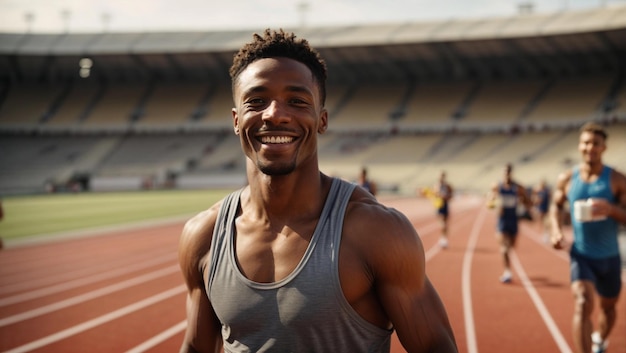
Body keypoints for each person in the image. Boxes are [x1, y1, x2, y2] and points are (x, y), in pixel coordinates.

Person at [178, 29, 458, 353]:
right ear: (236, 120)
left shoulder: (376, 232)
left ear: (321, 120)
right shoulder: (204, 236)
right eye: (256, 101)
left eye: (296, 101)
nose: (275, 114)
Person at [549, 122, 626, 353]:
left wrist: (611, 210)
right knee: (582, 303)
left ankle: (600, 340)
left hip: (610, 257)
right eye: (585, 142)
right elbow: (555, 206)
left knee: (609, 308)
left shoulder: (617, 179)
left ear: (603, 147)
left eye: (595, 143)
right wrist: (555, 229)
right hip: (581, 254)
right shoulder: (567, 178)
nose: (589, 147)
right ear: (579, 146)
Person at [487, 163, 533, 283]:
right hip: (502, 220)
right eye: (504, 172)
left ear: (511, 173)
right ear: (502, 173)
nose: (506, 174)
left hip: (513, 220)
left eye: (508, 172)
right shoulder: (497, 186)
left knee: (511, 246)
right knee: (504, 247)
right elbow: (489, 203)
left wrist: (523, 203)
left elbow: (528, 202)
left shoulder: (518, 187)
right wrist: (495, 204)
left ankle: (507, 267)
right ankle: (507, 271)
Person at [433, 171, 453, 248]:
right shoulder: (436, 185)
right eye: (440, 176)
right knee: (442, 223)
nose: (441, 178)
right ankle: (442, 239)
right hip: (439, 205)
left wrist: (447, 197)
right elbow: (434, 194)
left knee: (445, 223)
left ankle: (444, 238)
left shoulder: (447, 186)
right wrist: (439, 195)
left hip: (445, 205)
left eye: (442, 176)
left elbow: (451, 195)